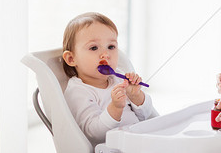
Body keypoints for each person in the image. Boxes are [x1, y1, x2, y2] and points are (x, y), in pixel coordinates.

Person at [62, 12, 157, 146]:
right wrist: (115, 108)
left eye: (111, 46)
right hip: (112, 147)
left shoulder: (118, 77)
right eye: (94, 47)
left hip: (138, 140)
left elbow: (146, 116)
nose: (105, 54)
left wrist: (136, 96)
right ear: (72, 59)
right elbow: (94, 134)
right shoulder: (78, 91)